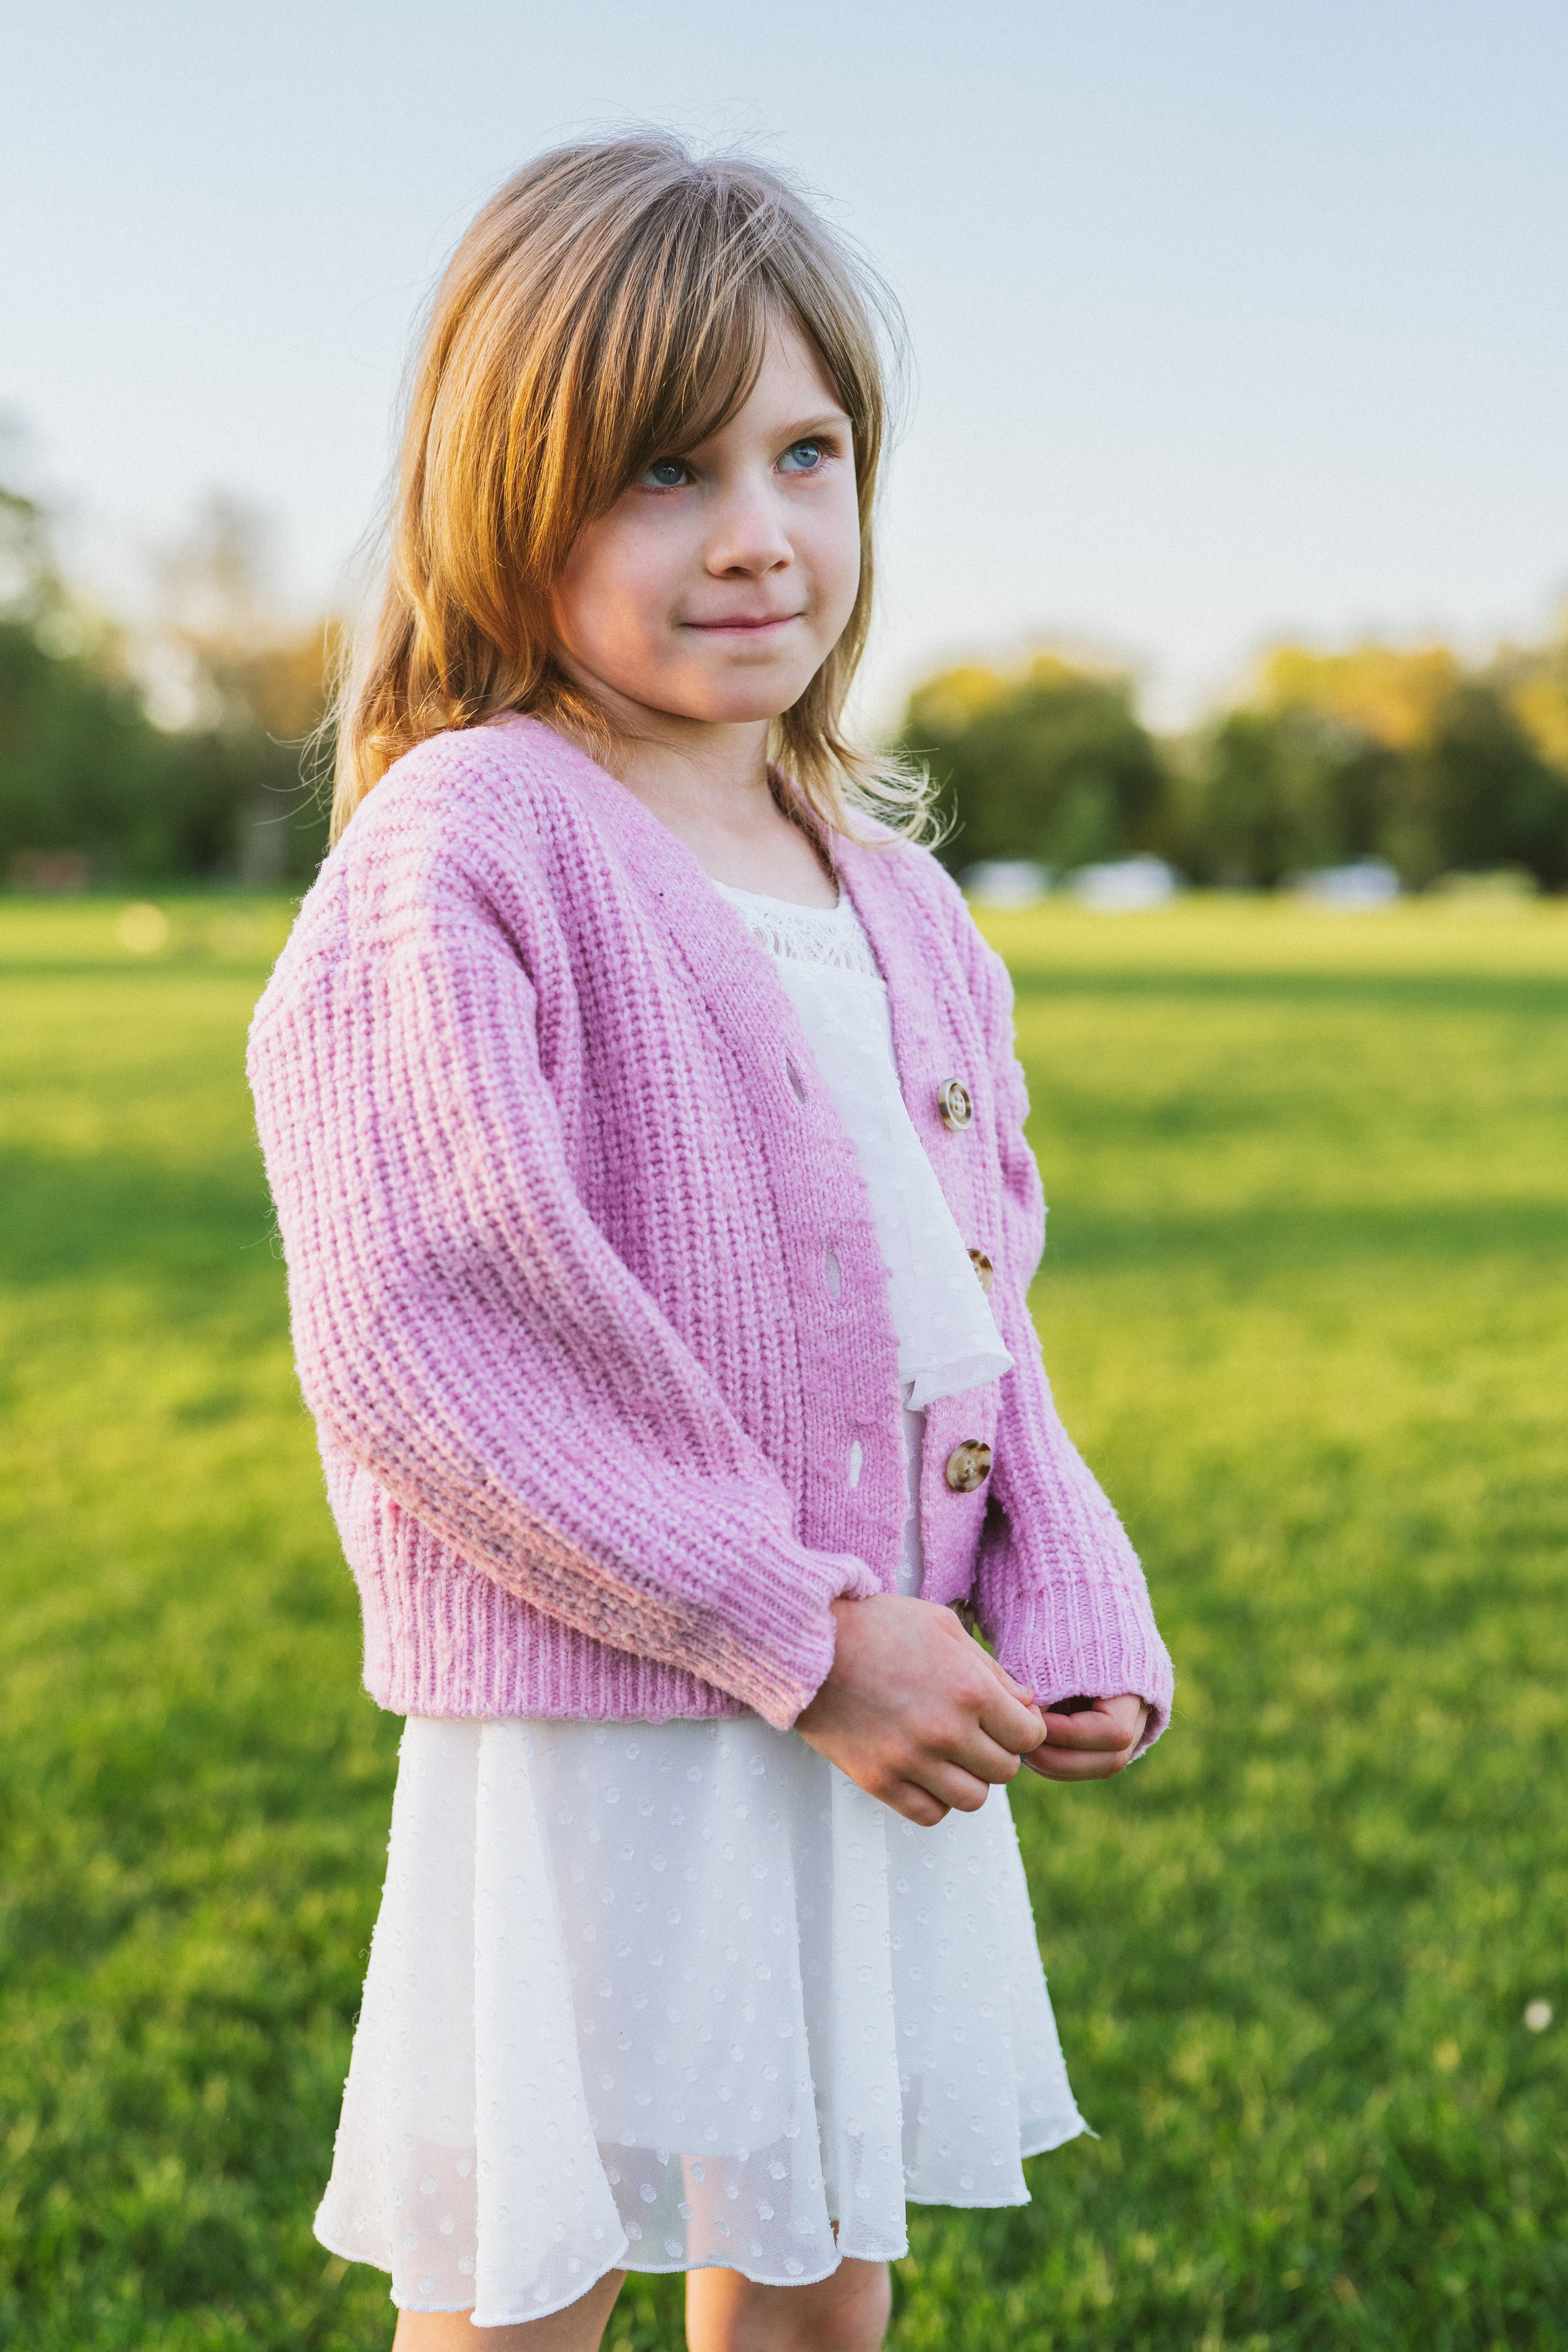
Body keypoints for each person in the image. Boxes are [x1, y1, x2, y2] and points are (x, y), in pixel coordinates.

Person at [248, 133, 1173, 2352]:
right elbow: (431, 1333)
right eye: (669, 469)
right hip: (614, 1700)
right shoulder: (468, 844)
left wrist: (1056, 1581)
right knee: (532, 2278)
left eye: (806, 453)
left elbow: (978, 1302)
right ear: (512, 497)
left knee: (819, 2251)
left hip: (876, 1687)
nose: (760, 532)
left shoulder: (901, 900)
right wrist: (796, 1631)